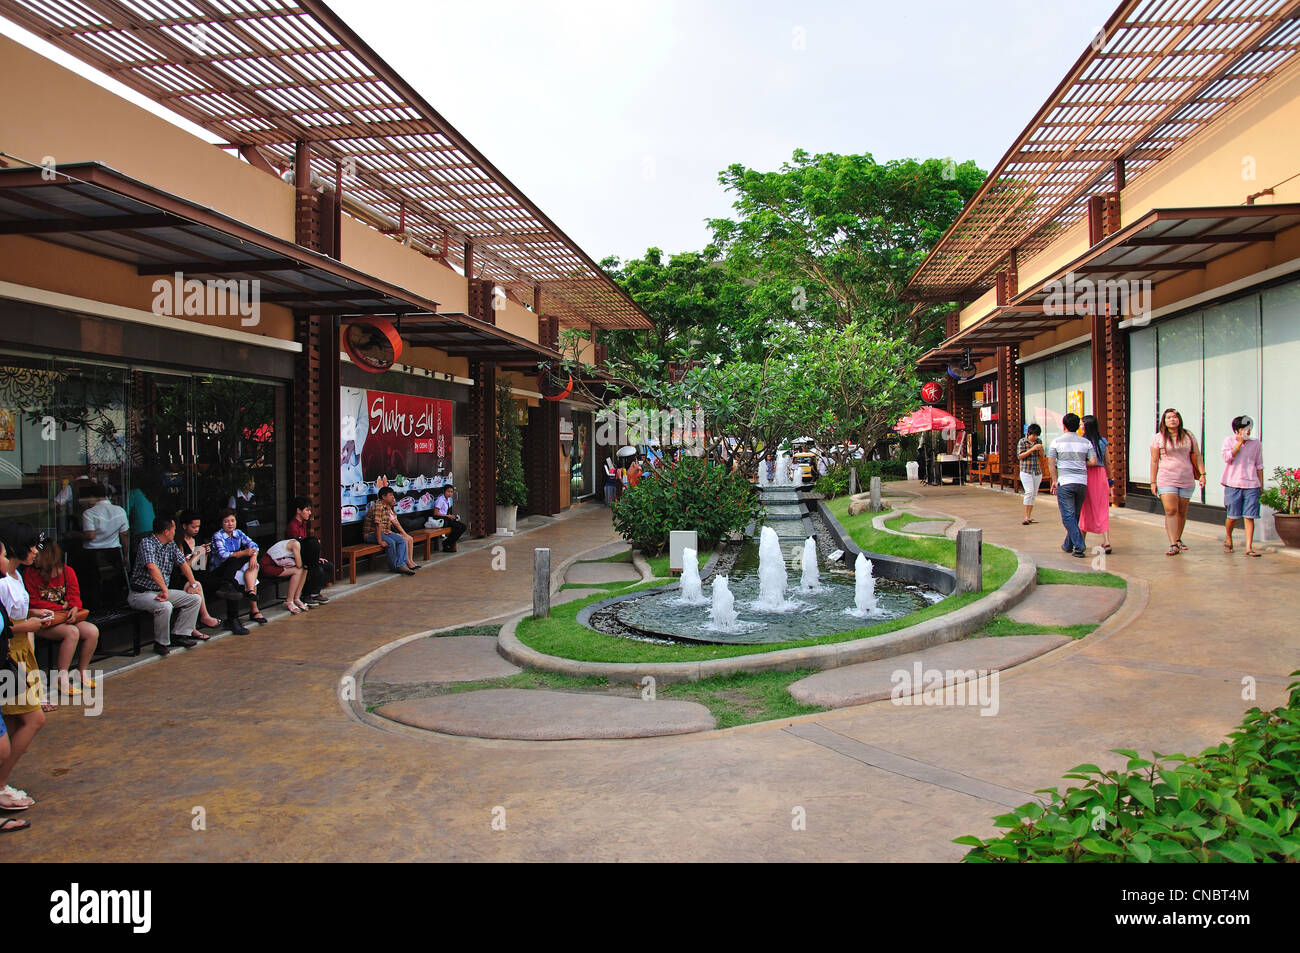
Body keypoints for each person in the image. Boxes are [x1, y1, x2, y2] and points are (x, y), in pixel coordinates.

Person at [0, 525, 49, 812]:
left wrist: (32, 614)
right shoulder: (4, 581)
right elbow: (4, 626)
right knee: (34, 719)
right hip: (10, 655)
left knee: (21, 721)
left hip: (21, 653)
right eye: (31, 546)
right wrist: (27, 625)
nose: (35, 552)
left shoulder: (17, 576)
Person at [23, 541, 100, 694]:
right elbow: (33, 602)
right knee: (72, 632)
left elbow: (74, 595)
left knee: (92, 631)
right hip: (43, 621)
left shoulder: (67, 571)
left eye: (38, 555)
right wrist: (61, 608)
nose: (34, 558)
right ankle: (62, 678)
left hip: (63, 618)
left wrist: (74, 607)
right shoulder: (30, 574)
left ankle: (81, 671)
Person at [129, 516, 205, 656]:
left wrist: (193, 584)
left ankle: (179, 635)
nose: (175, 532)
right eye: (174, 529)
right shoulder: (147, 543)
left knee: (194, 598)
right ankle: (161, 643)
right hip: (141, 593)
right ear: (166, 531)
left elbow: (183, 564)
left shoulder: (170, 545)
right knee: (165, 606)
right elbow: (151, 567)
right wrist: (164, 590)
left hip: (161, 591)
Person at [1149, 407, 1205, 556]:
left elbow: (1198, 455)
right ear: (1164, 421)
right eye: (1169, 417)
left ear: (1179, 419)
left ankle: (1178, 538)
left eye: (1174, 417)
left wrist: (1202, 474)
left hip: (1186, 477)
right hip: (1166, 477)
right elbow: (1154, 461)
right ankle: (1173, 543)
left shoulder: (1188, 435)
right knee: (1171, 510)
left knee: (1182, 511)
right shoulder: (1158, 438)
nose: (1172, 419)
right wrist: (1152, 481)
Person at [0, 556, 30, 831]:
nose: (5, 559)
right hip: (10, 662)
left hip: (9, 665)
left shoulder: (10, 580)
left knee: (21, 720)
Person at [1046, 412, 1097, 558]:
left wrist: (1055, 481)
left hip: (1066, 482)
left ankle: (1079, 545)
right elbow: (1093, 462)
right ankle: (1067, 545)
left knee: (1068, 517)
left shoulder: (1056, 442)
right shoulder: (1086, 442)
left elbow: (1051, 464)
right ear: (1078, 427)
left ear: (1064, 426)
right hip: (1081, 482)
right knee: (1074, 515)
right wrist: (1080, 463)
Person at [209, 509, 267, 625]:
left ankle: (251, 592)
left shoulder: (238, 533)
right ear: (221, 523)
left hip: (235, 568)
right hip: (222, 570)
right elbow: (223, 555)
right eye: (226, 521)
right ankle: (254, 610)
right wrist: (243, 553)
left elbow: (254, 545)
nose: (230, 524)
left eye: (232, 520)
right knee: (248, 575)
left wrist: (253, 556)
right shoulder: (218, 535)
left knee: (253, 565)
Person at [174, 511, 227, 637]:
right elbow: (183, 568)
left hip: (198, 573)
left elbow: (201, 565)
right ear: (184, 526)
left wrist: (205, 554)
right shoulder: (179, 543)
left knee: (218, 579)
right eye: (193, 527)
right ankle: (203, 619)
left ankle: (227, 591)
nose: (196, 529)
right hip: (183, 578)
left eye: (198, 526)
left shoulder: (197, 539)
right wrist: (197, 554)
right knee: (196, 586)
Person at [1221, 414, 1264, 557]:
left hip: (1252, 484)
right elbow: (1227, 458)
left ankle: (1249, 547)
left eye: (1249, 428)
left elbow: (1259, 465)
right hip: (1233, 483)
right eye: (1244, 428)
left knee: (1249, 516)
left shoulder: (1256, 443)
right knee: (1233, 516)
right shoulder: (1228, 441)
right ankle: (1228, 537)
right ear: (1237, 430)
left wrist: (1261, 485)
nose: (1248, 431)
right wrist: (1238, 444)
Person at [1077, 414, 1112, 554]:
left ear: (1086, 426)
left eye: (1082, 424)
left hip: (1086, 475)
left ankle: (1081, 541)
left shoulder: (1081, 442)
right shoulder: (1103, 441)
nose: (1080, 426)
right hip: (1101, 475)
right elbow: (1108, 462)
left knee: (1085, 509)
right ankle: (1107, 541)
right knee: (1102, 508)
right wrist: (1110, 478)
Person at [363, 487, 415, 575]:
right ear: (383, 497)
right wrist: (380, 541)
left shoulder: (387, 506)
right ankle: (394, 567)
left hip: (384, 532)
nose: (392, 497)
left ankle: (401, 565)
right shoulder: (378, 506)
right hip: (371, 534)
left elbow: (386, 525)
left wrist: (391, 534)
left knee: (401, 540)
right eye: (390, 495)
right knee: (390, 543)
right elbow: (378, 525)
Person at [287, 498, 331, 604]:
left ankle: (314, 593)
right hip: (296, 558)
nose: (310, 513)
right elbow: (298, 547)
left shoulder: (304, 524)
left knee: (328, 566)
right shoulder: (292, 527)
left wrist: (317, 557)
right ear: (298, 511)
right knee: (316, 569)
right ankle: (306, 595)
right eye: (307, 510)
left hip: (305, 556)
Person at [259, 538, 310, 614]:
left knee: (305, 569)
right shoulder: (295, 544)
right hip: (267, 565)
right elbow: (299, 565)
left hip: (276, 564)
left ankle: (296, 598)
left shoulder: (297, 544)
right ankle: (289, 601)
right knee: (298, 570)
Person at [78, 484, 129, 554]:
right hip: (114, 551)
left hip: (93, 553)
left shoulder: (88, 513)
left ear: (92, 496)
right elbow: (124, 535)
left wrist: (74, 534)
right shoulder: (121, 511)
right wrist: (126, 555)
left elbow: (90, 535)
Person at [1016, 423, 1045, 525]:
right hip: (1026, 470)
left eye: (1036, 435)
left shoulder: (1039, 442)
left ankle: (1029, 516)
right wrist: (1032, 449)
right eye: (1033, 435)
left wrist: (1040, 449)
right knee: (1029, 492)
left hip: (1036, 471)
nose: (1035, 437)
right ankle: (1026, 517)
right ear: (1029, 433)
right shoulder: (1022, 442)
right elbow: (1020, 456)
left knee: (1033, 494)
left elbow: (1042, 456)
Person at [432, 486, 466, 553]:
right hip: (441, 519)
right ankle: (447, 544)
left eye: (451, 492)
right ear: (444, 492)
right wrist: (448, 516)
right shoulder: (440, 500)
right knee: (458, 527)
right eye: (448, 491)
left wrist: (454, 517)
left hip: (446, 518)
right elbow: (436, 513)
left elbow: (447, 512)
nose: (450, 493)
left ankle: (447, 542)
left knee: (463, 526)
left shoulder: (448, 500)